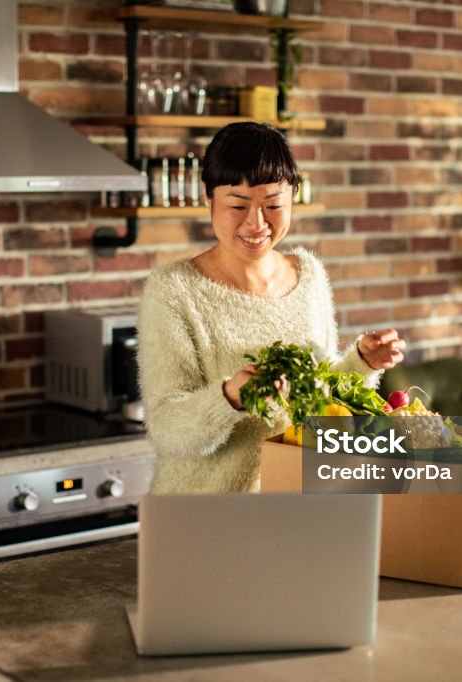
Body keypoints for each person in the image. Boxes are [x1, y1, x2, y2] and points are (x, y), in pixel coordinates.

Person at [137, 122, 405, 494]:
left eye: (273, 205)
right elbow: (168, 431)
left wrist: (362, 363)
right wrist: (230, 396)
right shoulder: (175, 291)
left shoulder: (307, 275)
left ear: (292, 197)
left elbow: (322, 402)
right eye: (238, 205)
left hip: (294, 509)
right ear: (208, 197)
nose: (256, 223)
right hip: (203, 519)